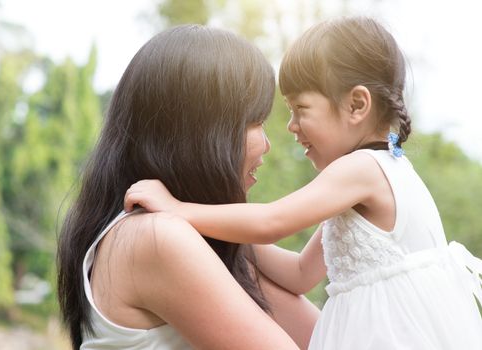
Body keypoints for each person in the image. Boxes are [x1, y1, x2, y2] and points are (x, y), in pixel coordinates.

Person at [124, 17, 482, 349]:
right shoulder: (379, 174)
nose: (291, 126)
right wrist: (221, 237)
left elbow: (270, 222)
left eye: (301, 109)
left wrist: (178, 209)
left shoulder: (362, 168)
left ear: (357, 105)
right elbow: (298, 275)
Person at [57, 24, 320, 350]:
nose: (266, 145)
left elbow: (329, 339)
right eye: (255, 122)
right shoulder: (154, 236)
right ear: (201, 133)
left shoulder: (207, 243)